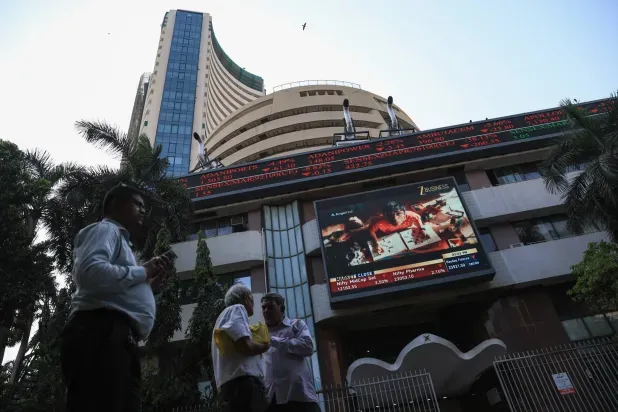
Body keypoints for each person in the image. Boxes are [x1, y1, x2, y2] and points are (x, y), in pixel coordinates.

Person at [60, 182, 172, 412]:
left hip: (117, 339)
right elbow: (90, 272)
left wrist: (148, 286)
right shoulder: (105, 230)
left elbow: (112, 287)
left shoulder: (122, 243)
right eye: (137, 204)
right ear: (117, 205)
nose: (143, 210)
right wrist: (143, 272)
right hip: (100, 334)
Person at [213, 283, 271, 412]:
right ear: (245, 298)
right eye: (252, 300)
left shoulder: (222, 318)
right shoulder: (237, 308)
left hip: (232, 388)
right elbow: (245, 346)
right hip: (244, 386)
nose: (253, 304)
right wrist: (265, 346)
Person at [261, 293, 319, 412]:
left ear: (281, 309)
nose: (266, 311)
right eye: (263, 307)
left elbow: (308, 346)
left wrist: (275, 341)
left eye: (270, 307)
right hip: (272, 398)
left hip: (298, 394)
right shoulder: (261, 333)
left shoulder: (296, 325)